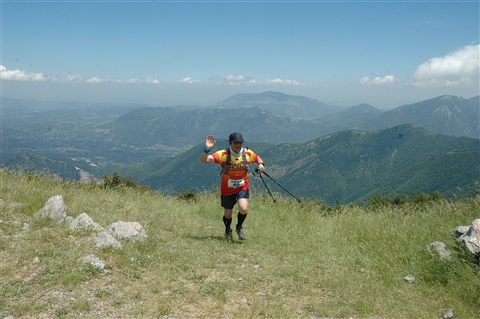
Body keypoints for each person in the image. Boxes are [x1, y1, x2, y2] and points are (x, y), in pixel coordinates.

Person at [200, 132, 265, 241]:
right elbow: (204, 160)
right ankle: (227, 229)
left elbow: (258, 159)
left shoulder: (247, 153)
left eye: (240, 142)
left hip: (242, 187)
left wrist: (261, 165)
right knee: (228, 213)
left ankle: (239, 227)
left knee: (243, 208)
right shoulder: (223, 154)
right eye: (235, 143)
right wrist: (207, 149)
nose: (238, 145)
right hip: (227, 189)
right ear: (230, 143)